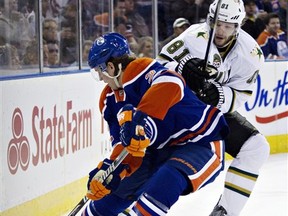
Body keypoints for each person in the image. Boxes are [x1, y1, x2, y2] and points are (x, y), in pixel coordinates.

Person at [82, 32, 229, 215]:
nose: (101, 79)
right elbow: (124, 143)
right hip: (155, 152)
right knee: (109, 198)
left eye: (99, 72)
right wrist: (110, 169)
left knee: (164, 182)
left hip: (198, 142)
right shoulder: (109, 100)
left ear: (110, 67)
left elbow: (172, 82)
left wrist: (143, 120)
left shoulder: (139, 70)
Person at [157, 0, 270, 215]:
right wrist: (181, 67)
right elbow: (157, 66)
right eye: (218, 23)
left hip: (210, 113)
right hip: (177, 110)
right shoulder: (192, 36)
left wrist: (219, 96)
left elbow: (241, 94)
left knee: (256, 148)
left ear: (239, 26)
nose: (221, 30)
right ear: (210, 20)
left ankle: (225, 211)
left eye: (228, 26)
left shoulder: (251, 54)